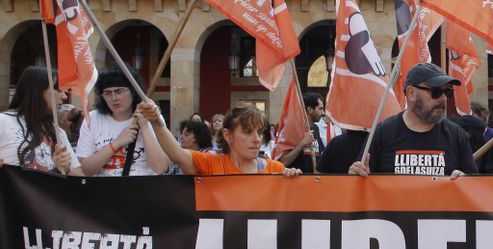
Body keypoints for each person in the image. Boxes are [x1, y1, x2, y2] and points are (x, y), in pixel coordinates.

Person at [349, 62, 476, 177]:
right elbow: (360, 187)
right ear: (411, 93)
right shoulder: (382, 133)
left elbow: (473, 188)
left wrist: (464, 180)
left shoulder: (456, 135)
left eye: (447, 92)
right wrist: (356, 176)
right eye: (436, 92)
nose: (443, 98)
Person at [138, 99, 301, 177]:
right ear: (227, 135)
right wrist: (156, 121)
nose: (257, 139)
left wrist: (293, 178)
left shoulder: (276, 169)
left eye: (259, 132)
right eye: (247, 131)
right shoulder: (211, 164)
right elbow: (176, 154)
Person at [76, 65, 169, 176]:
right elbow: (84, 170)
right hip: (104, 190)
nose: (114, 98)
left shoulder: (151, 116)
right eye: (108, 93)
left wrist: (145, 127)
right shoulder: (92, 119)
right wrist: (116, 143)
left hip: (145, 188)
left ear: (133, 91)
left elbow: (161, 168)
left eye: (119, 92)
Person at [0, 66, 83, 175]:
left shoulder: (58, 133)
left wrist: (66, 169)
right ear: (37, 90)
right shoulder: (3, 121)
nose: (64, 96)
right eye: (58, 89)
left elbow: (81, 180)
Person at [279, 92, 325, 173]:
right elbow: (282, 163)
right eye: (320, 109)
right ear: (309, 110)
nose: (323, 113)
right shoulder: (292, 129)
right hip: (296, 182)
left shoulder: (316, 128)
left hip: (313, 182)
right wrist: (302, 144)